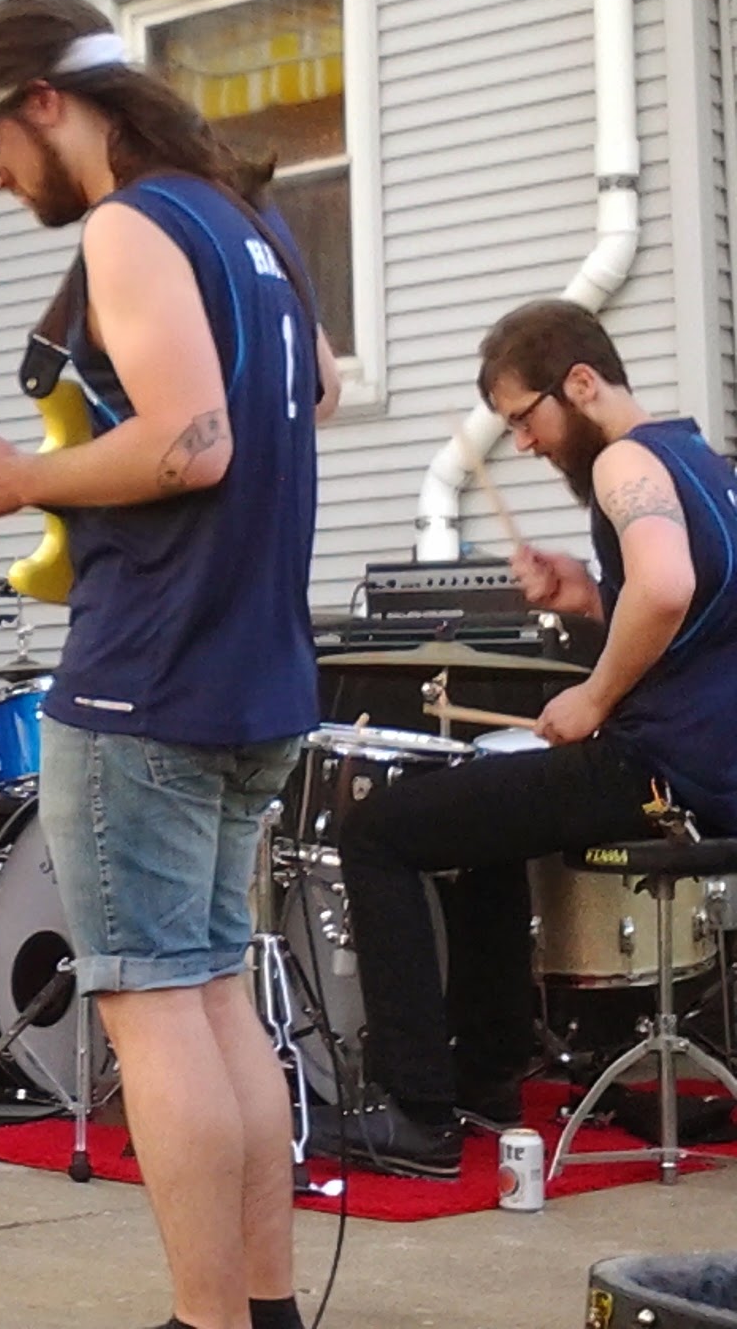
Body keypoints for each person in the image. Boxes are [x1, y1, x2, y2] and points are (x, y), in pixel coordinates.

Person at [0, 0, 341, 1329]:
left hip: (146, 673)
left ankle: (207, 1320)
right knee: (215, 999)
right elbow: (317, 383)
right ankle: (260, 1310)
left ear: (45, 101)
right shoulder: (248, 222)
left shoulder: (131, 220)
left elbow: (192, 440)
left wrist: (23, 477)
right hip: (258, 666)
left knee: (155, 1014)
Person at [308, 299, 737, 1179]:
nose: (527, 444)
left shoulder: (626, 461)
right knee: (481, 831)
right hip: (708, 758)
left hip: (658, 766)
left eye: (525, 418)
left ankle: (415, 1112)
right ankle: (485, 1080)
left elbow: (663, 587)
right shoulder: (701, 459)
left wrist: (595, 692)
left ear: (580, 383)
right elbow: (697, 603)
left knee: (379, 833)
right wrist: (585, 591)